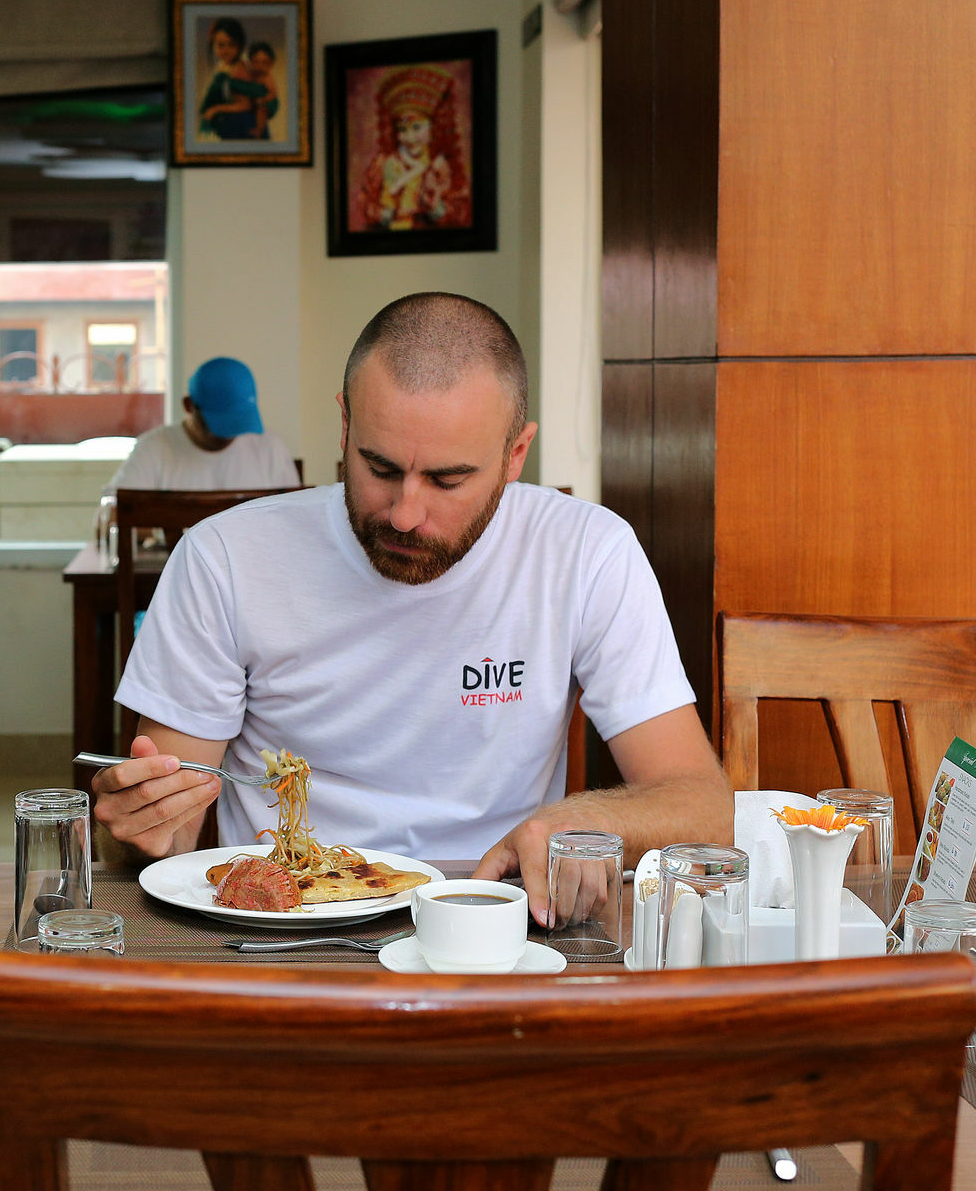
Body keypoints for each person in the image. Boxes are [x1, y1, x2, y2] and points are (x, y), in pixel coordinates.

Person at [91, 293, 729, 921]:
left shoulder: (587, 553)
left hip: (491, 917)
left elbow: (705, 805)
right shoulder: (225, 559)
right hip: (290, 928)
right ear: (344, 425)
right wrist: (139, 827)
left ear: (515, 454)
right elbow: (164, 839)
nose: (404, 513)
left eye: (448, 480)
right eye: (379, 467)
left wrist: (586, 817)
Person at [105, 357, 300, 494]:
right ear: (188, 406)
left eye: (238, 423)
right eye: (220, 423)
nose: (227, 435)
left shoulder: (269, 447)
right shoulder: (153, 449)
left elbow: (294, 521)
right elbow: (110, 519)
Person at [359, 64, 471, 231]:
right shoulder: (383, 163)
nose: (409, 138)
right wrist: (383, 214)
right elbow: (366, 202)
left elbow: (462, 210)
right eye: (403, 130)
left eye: (417, 128)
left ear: (433, 128)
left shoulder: (442, 166)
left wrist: (437, 209)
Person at [196, 18, 263, 142]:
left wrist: (215, 109)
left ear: (240, 45)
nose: (226, 50)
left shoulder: (239, 69)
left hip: (241, 125)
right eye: (221, 45)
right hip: (229, 123)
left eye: (231, 45)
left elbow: (246, 105)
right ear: (213, 44)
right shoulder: (223, 66)